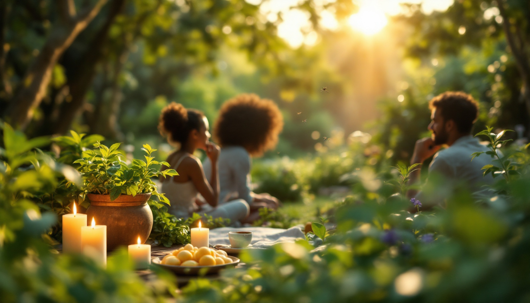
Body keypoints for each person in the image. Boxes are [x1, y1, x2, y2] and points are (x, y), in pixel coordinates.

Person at [158, 102, 249, 223]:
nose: (209, 135)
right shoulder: (191, 162)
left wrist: (195, 204)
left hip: (170, 220)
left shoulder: (171, 158)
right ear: (194, 134)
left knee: (232, 218)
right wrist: (214, 162)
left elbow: (178, 194)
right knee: (242, 206)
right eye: (205, 130)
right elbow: (214, 202)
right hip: (186, 223)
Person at [203, 94, 283, 223]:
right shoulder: (240, 154)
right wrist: (265, 203)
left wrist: (261, 198)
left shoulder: (222, 151)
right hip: (215, 210)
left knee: (266, 201)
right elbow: (244, 198)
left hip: (207, 207)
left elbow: (236, 195)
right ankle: (240, 223)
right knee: (269, 207)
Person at [407, 92, 495, 208]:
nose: (430, 127)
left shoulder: (447, 158)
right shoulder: (493, 151)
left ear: (449, 125)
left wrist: (417, 160)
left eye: (435, 121)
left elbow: (415, 205)